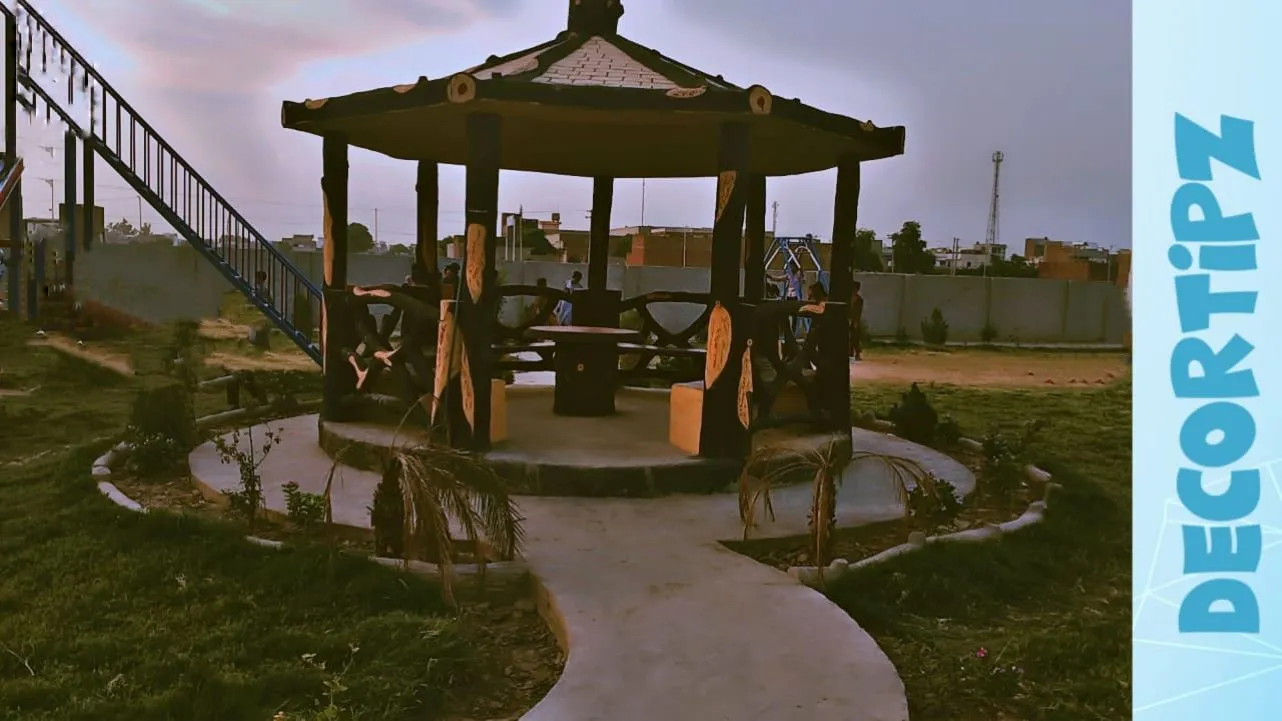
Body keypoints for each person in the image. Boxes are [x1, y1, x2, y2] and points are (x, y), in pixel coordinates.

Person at [849, 280, 864, 361]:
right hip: (848, 319)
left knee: (855, 337)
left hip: (854, 320)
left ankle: (857, 353)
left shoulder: (859, 300)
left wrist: (856, 321)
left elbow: (858, 311)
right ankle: (850, 352)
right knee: (848, 337)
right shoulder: (848, 298)